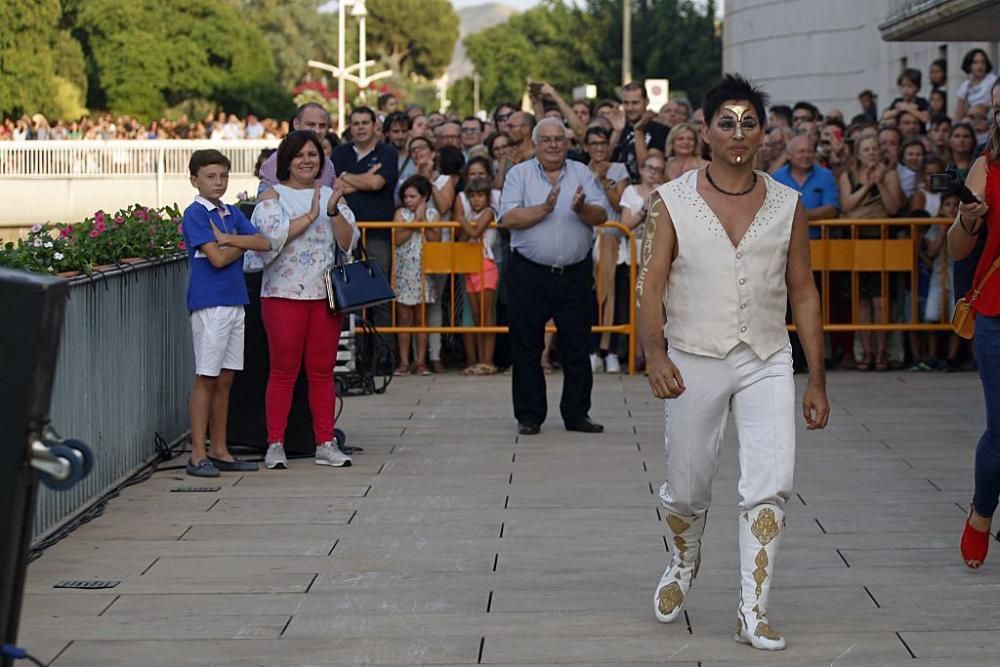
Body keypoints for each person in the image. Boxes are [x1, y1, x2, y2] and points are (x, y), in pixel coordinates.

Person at [636, 73, 829, 651]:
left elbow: (803, 292)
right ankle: (684, 554)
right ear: (705, 131)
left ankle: (753, 609)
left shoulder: (788, 204)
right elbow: (650, 284)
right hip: (694, 356)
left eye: (749, 123)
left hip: (767, 355)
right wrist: (654, 352)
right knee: (688, 486)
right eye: (727, 123)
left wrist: (815, 377)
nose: (739, 134)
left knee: (770, 485)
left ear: (764, 133)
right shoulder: (670, 200)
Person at [251, 131, 359, 470]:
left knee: (322, 372)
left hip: (324, 296)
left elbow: (347, 243)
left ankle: (325, 442)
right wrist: (311, 216)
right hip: (283, 295)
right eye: (299, 155)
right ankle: (275, 443)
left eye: (313, 154)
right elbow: (270, 240)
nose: (307, 160)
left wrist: (332, 212)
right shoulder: (272, 195)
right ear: (286, 160)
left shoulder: (333, 195)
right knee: (283, 371)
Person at [500, 117, 610, 436]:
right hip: (529, 274)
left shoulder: (582, 173)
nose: (552, 145)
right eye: (546, 139)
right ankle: (530, 415)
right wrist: (544, 208)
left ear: (567, 144)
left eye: (558, 139)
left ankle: (577, 414)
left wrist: (581, 208)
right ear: (535, 144)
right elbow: (508, 217)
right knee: (526, 347)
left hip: (573, 274)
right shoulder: (518, 174)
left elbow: (601, 214)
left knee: (576, 346)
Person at [181, 150, 271, 478]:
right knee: (207, 376)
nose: (218, 182)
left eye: (223, 176)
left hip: (235, 301)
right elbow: (216, 260)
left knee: (227, 378)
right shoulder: (195, 214)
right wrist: (242, 244)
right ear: (195, 179)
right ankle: (198, 453)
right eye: (210, 176)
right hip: (210, 302)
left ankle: (220, 449)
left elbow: (264, 241)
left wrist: (231, 240)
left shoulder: (231, 212)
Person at [948, 79, 1000, 570]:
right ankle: (982, 511)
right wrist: (967, 219)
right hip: (996, 312)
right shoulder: (986, 166)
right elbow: (958, 249)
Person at [838, 134, 903, 371]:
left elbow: (893, 207)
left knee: (881, 300)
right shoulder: (848, 175)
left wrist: (881, 183)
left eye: (875, 148)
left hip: (882, 240)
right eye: (866, 149)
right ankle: (866, 351)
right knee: (862, 300)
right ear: (858, 153)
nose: (872, 153)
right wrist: (867, 185)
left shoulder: (890, 174)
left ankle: (882, 352)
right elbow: (846, 205)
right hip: (856, 242)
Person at [393, 175, 440, 376]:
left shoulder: (433, 214)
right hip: (404, 271)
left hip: (424, 271)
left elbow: (435, 238)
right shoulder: (400, 213)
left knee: (421, 318)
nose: (408, 200)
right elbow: (398, 238)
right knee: (404, 317)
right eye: (406, 196)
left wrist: (424, 221)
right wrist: (417, 221)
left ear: (424, 197)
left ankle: (420, 361)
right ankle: (404, 362)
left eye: (413, 196)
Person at [457, 177, 499, 375]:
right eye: (472, 196)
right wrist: (464, 220)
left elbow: (475, 232)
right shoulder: (469, 215)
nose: (476, 200)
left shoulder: (489, 212)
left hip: (486, 264)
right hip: (471, 266)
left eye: (480, 195)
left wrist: (460, 219)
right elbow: (463, 238)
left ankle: (487, 361)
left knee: (486, 315)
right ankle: (480, 360)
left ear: (487, 197)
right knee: (475, 316)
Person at [772, 134, 839, 238]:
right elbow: (772, 211)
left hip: (819, 240)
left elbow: (831, 210)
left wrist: (797, 215)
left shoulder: (826, 175)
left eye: (810, 151)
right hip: (784, 242)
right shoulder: (777, 178)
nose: (806, 155)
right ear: (789, 155)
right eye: (801, 152)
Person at [258, 104, 337, 192]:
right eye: (311, 124)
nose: (317, 131)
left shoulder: (328, 165)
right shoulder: (276, 161)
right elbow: (265, 200)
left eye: (322, 126)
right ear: (296, 124)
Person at [612, 82, 669, 183]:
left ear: (646, 102)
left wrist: (638, 130)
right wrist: (616, 132)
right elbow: (603, 161)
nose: (630, 108)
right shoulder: (617, 127)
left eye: (635, 103)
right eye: (626, 103)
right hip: (616, 191)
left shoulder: (660, 130)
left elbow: (648, 168)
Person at [955, 48, 998, 121]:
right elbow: (958, 116)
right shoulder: (965, 86)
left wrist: (982, 108)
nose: (980, 66)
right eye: (975, 62)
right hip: (971, 121)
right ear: (969, 65)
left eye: (983, 62)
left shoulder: (993, 80)